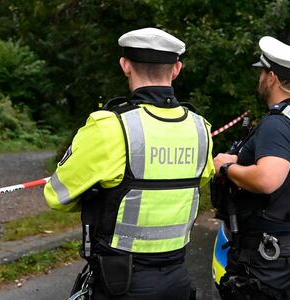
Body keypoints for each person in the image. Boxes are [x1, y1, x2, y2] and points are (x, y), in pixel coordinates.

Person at [44, 27, 214, 300]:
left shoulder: (109, 126)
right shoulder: (200, 128)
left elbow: (56, 195)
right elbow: (199, 181)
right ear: (177, 69)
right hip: (178, 280)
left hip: (120, 283)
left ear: (125, 65)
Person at [213, 36, 290, 300]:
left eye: (262, 73)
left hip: (264, 256)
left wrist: (227, 167)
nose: (260, 79)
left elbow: (268, 179)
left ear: (272, 77)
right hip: (288, 245)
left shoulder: (278, 124)